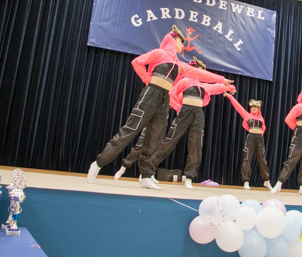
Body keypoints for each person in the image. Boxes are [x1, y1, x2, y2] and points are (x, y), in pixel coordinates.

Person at [86, 25, 232, 187]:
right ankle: (98, 163)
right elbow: (137, 62)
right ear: (173, 40)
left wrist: (221, 80)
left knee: (154, 138)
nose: (182, 46)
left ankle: (146, 175)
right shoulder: (159, 53)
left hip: (164, 100)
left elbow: (200, 73)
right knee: (130, 130)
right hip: (151, 95)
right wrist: (147, 79)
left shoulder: (180, 65)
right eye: (181, 42)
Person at [141, 57, 236, 189]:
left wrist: (231, 87)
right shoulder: (185, 81)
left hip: (198, 115)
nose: (201, 74)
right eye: (200, 71)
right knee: (169, 142)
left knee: (195, 147)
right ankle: (148, 171)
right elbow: (171, 93)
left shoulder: (204, 86)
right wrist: (178, 108)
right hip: (185, 112)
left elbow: (218, 87)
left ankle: (189, 177)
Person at [224, 93, 272, 190]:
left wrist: (260, 137)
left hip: (259, 139)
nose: (253, 108)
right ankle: (246, 181)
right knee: (247, 159)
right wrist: (229, 96)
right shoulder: (247, 115)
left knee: (262, 160)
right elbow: (238, 106)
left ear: (258, 109)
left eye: (255, 107)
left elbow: (263, 128)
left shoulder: (261, 118)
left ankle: (266, 181)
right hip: (250, 138)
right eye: (252, 107)